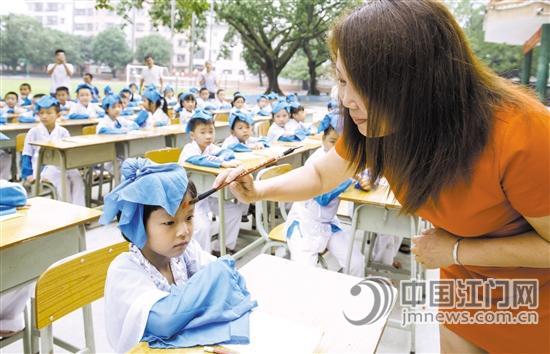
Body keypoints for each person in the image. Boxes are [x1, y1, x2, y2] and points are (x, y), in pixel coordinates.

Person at [214, 1, 550, 353]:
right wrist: (259, 191)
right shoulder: (379, 125)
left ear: (415, 82)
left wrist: (455, 249)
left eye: (357, 83)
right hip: (463, 283)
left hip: (534, 300)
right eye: (341, 80)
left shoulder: (521, 133)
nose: (345, 98)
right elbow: (318, 175)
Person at [100, 158, 256, 352]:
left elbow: (223, 280)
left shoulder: (184, 252)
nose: (184, 231)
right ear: (137, 226)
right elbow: (162, 321)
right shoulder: (124, 269)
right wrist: (217, 276)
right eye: (169, 223)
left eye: (189, 217)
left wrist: (217, 276)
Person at [285, 116, 364, 277]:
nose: (337, 149)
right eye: (332, 141)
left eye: (343, 144)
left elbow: (360, 176)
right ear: (322, 139)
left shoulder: (347, 160)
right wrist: (350, 177)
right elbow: (322, 196)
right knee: (304, 275)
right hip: (304, 224)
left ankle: (354, 296)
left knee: (356, 262)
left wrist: (363, 181)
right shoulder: (316, 161)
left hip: (328, 224)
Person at [177, 110, 242, 254]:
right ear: (192, 135)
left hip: (206, 195)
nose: (208, 136)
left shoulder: (209, 147)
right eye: (203, 132)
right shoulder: (189, 149)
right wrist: (220, 162)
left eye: (211, 131)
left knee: (234, 211)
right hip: (188, 201)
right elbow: (195, 160)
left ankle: (222, 248)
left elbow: (226, 152)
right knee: (202, 227)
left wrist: (221, 159)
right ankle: (201, 261)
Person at [22, 96, 85, 205]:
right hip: (42, 168)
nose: (44, 116)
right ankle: (68, 212)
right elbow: (26, 154)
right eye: (41, 113)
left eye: (49, 113)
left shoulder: (63, 131)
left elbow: (69, 151)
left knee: (76, 177)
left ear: (58, 115)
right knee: (62, 180)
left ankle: (81, 211)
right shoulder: (33, 132)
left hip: (63, 164)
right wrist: (28, 174)